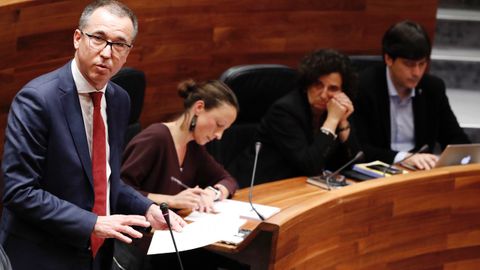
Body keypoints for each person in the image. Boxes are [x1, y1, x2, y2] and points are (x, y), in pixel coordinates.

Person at [0, 1, 185, 270]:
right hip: (41, 254)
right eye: (98, 38)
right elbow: (19, 191)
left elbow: (106, 180)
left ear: (128, 52)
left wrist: (147, 207)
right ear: (77, 38)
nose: (107, 53)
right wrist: (94, 222)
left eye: (119, 44)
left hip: (97, 253)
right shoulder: (38, 100)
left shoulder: (119, 100)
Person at [114, 79, 241, 269]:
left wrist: (211, 192)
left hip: (171, 243)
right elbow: (117, 192)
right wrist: (171, 201)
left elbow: (228, 180)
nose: (219, 135)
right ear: (199, 108)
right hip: (139, 246)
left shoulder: (195, 147)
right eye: (218, 125)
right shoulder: (155, 138)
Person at [229, 49, 360, 184]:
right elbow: (310, 165)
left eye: (333, 88)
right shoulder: (285, 111)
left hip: (300, 185)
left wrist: (343, 122)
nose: (323, 94)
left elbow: (354, 163)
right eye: (318, 85)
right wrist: (332, 121)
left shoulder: (336, 109)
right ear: (307, 84)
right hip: (260, 186)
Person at [354, 20, 470, 170]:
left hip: (420, 172)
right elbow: (360, 149)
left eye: (422, 64)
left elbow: (455, 138)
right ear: (389, 59)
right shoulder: (364, 87)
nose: (416, 73)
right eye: (409, 64)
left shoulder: (432, 88)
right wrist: (404, 158)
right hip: (378, 173)